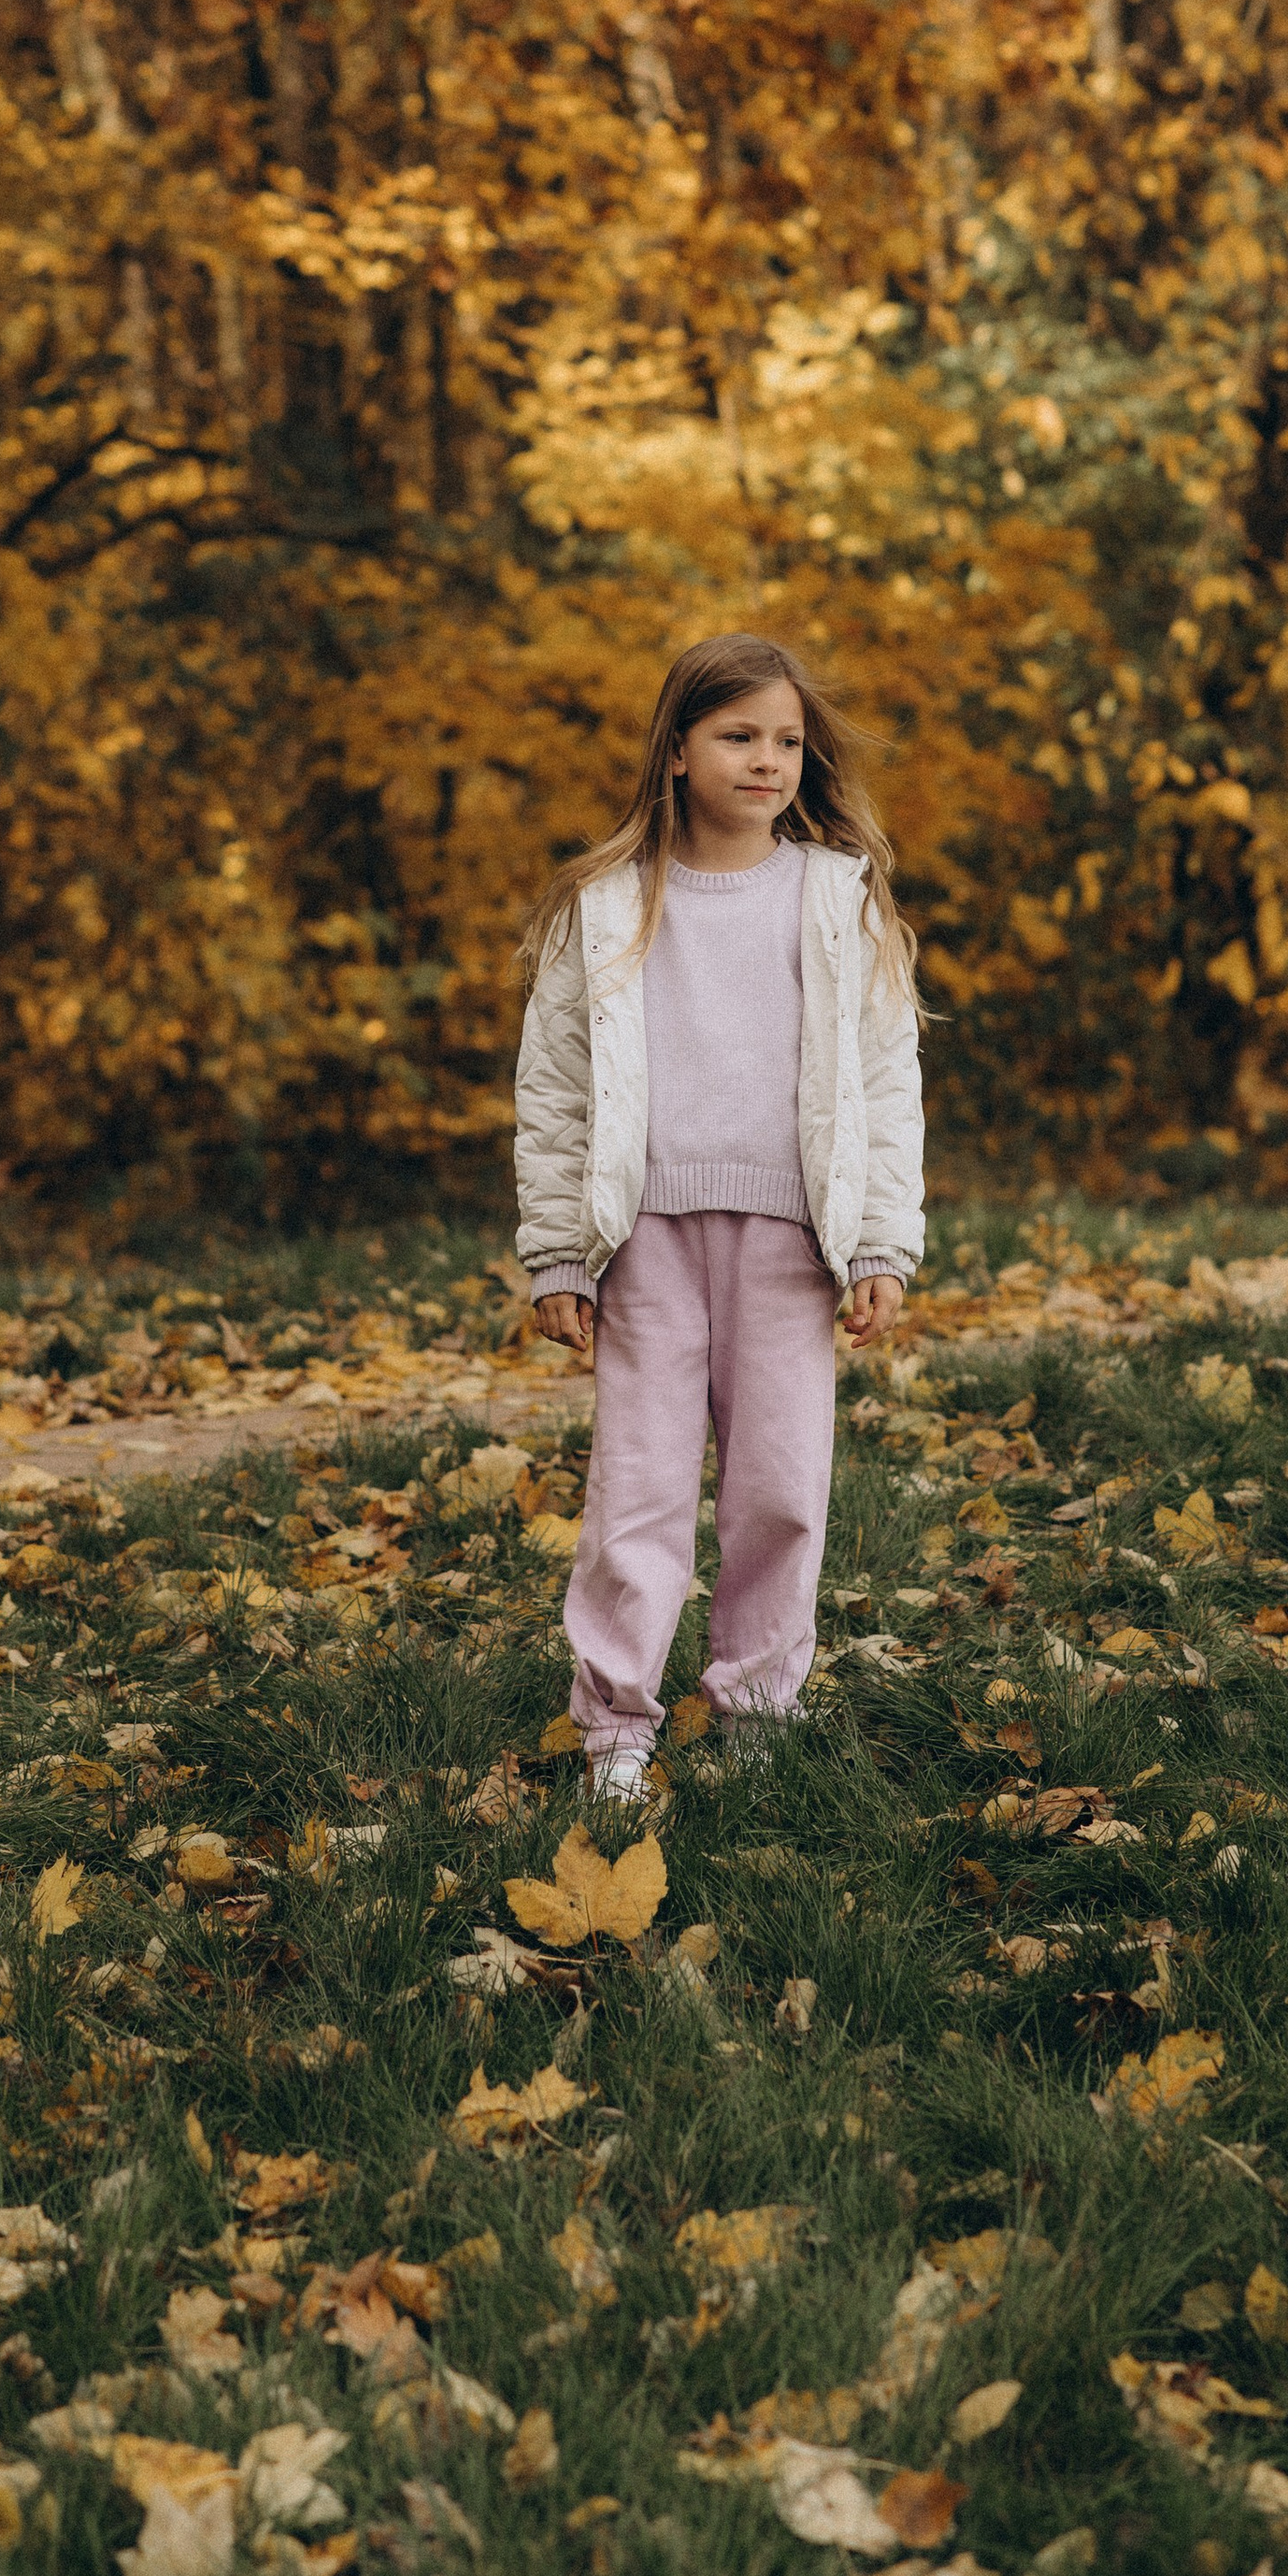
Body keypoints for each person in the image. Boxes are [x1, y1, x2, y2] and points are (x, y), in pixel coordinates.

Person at [513, 632, 923, 1799]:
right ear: (679, 750)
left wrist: (882, 1236)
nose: (768, 761)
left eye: (787, 740)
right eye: (738, 736)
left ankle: (755, 1703)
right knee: (637, 1485)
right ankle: (616, 1726)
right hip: (642, 1238)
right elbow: (551, 1084)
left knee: (780, 1486)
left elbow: (886, 1077)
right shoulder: (604, 906)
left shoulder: (834, 896)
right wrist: (556, 1247)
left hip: (794, 1241)